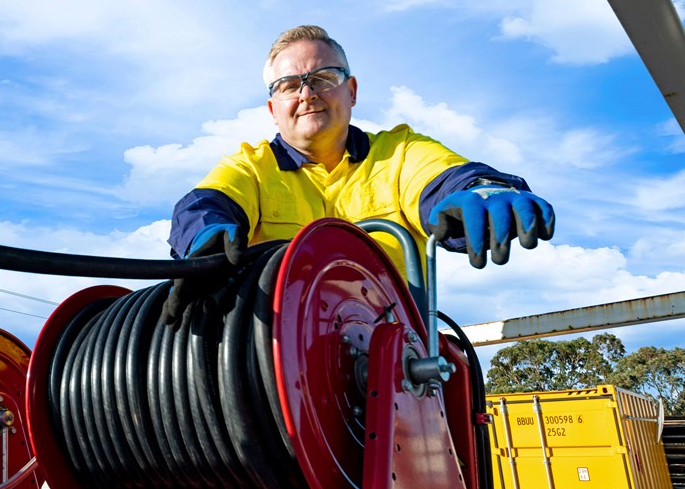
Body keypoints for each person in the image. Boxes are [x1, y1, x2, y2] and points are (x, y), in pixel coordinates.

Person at [163, 25, 554, 325]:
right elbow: (206, 205)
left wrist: (483, 193)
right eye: (288, 86)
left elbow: (447, 179)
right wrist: (204, 240)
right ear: (272, 107)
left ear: (351, 90)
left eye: (323, 78)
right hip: (277, 368)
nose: (307, 94)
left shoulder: (399, 153)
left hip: (399, 365)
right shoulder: (251, 167)